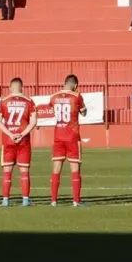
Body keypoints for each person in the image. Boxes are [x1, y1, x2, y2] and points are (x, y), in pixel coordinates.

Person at [0, 77, 36, 206]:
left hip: (8, 140)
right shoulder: (29, 101)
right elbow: (33, 122)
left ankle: (5, 200)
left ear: (10, 87)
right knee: (24, 170)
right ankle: (25, 200)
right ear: (22, 87)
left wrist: (10, 134)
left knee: (7, 170)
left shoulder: (3, 101)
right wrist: (22, 134)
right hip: (23, 140)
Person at [49, 74, 87, 207]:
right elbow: (83, 111)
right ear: (75, 85)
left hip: (58, 135)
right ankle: (76, 200)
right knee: (75, 168)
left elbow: (52, 109)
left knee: (56, 168)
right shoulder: (77, 96)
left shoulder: (54, 97)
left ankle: (53, 200)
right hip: (72, 136)